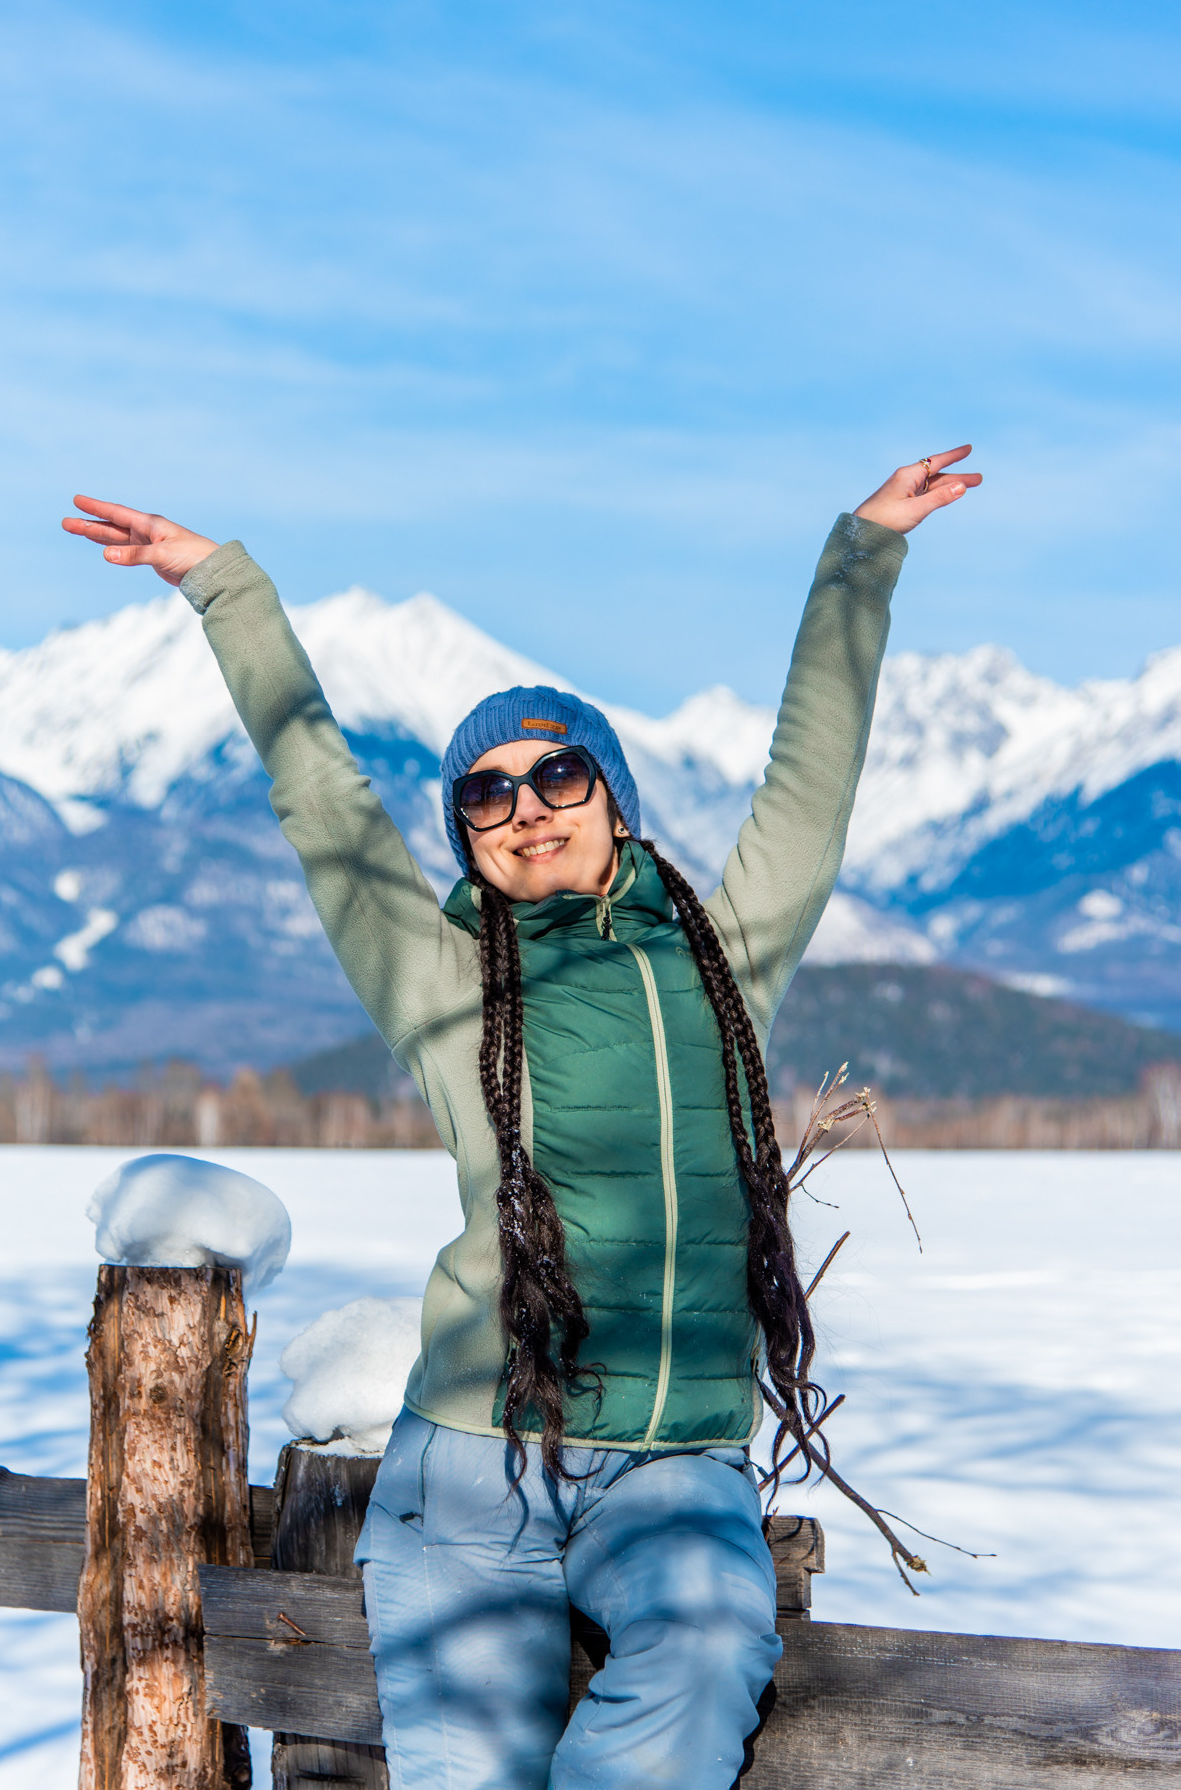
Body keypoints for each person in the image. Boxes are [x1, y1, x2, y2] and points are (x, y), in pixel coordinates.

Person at [64, 445, 981, 1790]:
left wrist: (862, 555)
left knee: (706, 1660)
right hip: (478, 1466)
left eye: (557, 776)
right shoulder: (439, 977)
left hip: (676, 1461)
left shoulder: (719, 956)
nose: (525, 810)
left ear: (612, 795)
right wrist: (225, 591)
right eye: (485, 795)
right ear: (466, 834)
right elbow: (320, 799)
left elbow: (811, 779)